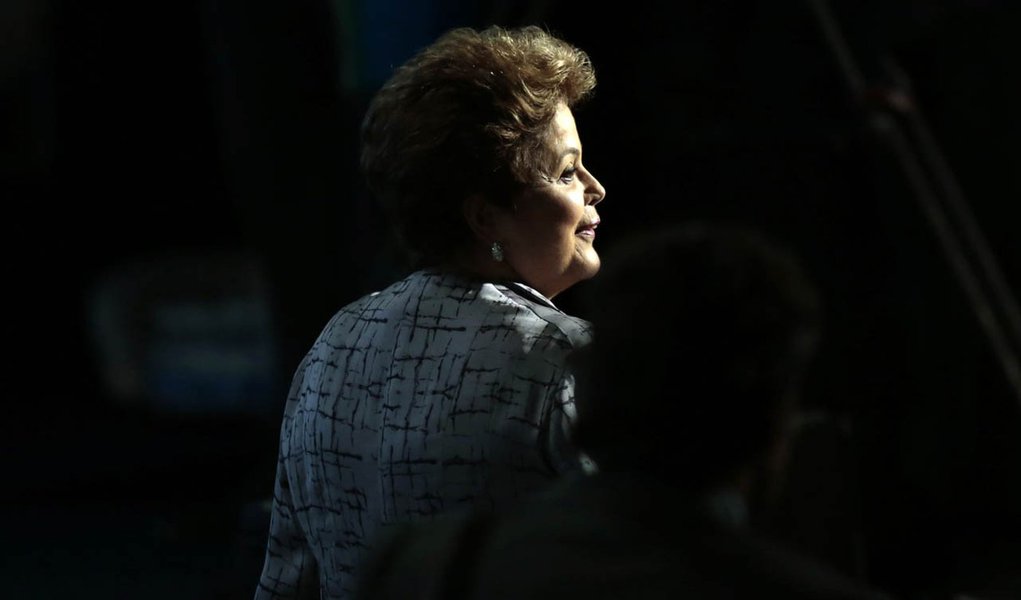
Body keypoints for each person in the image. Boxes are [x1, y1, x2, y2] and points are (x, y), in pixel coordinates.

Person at [356, 223, 894, 600]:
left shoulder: (424, 568)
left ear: (590, 376)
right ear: (776, 418)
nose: (597, 188)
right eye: (566, 171)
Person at [254, 25, 606, 600]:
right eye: (567, 171)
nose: (596, 188)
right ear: (485, 217)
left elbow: (286, 582)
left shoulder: (332, 345)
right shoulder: (564, 359)